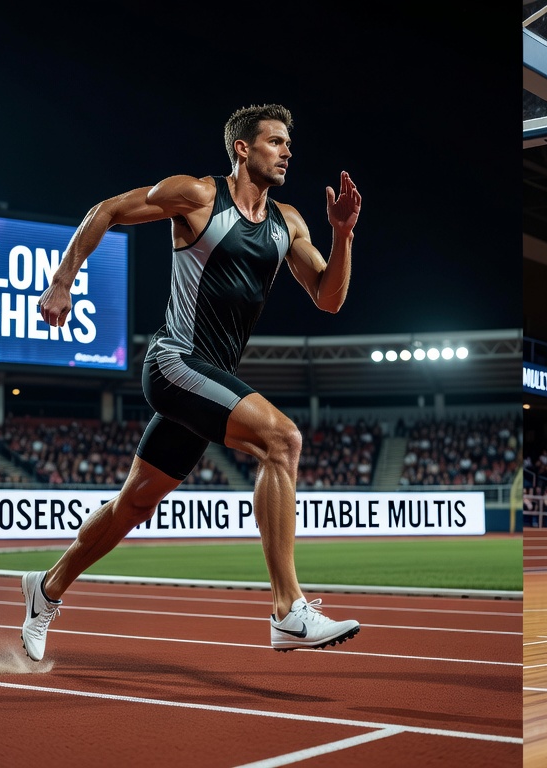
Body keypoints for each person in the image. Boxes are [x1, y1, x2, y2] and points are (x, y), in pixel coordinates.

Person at [19, 104, 362, 662]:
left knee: (133, 504)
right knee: (283, 440)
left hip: (208, 382)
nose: (287, 152)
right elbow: (107, 210)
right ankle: (287, 610)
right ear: (243, 149)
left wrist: (342, 234)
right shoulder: (200, 197)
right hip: (175, 363)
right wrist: (63, 282)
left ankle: (46, 589)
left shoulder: (289, 223)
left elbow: (328, 298)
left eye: (288, 144)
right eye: (276, 142)